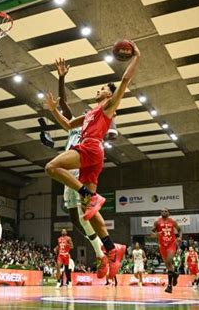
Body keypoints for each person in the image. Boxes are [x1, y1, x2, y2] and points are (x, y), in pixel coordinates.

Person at [44, 43, 141, 278]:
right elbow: (67, 124)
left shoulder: (108, 108)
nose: (98, 91)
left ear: (108, 93)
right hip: (93, 156)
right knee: (88, 212)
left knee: (51, 167)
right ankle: (111, 248)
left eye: (101, 88)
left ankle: (89, 195)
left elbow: (125, 81)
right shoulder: (88, 114)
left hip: (91, 148)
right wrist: (53, 110)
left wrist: (136, 56)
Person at [54, 58, 117, 278]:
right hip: (73, 162)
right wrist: (61, 78)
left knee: (83, 214)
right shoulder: (81, 121)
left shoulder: (96, 119)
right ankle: (106, 249)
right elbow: (63, 106)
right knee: (78, 216)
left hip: (79, 161)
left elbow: (106, 121)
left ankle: (101, 253)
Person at [151, 208, 182, 293]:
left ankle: (169, 286)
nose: (164, 212)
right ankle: (175, 275)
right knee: (168, 265)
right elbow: (151, 232)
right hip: (162, 245)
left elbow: (179, 230)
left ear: (169, 213)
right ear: (160, 213)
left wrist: (179, 237)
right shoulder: (157, 222)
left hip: (171, 244)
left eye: (165, 211)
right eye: (162, 211)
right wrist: (155, 234)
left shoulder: (172, 221)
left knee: (169, 261)